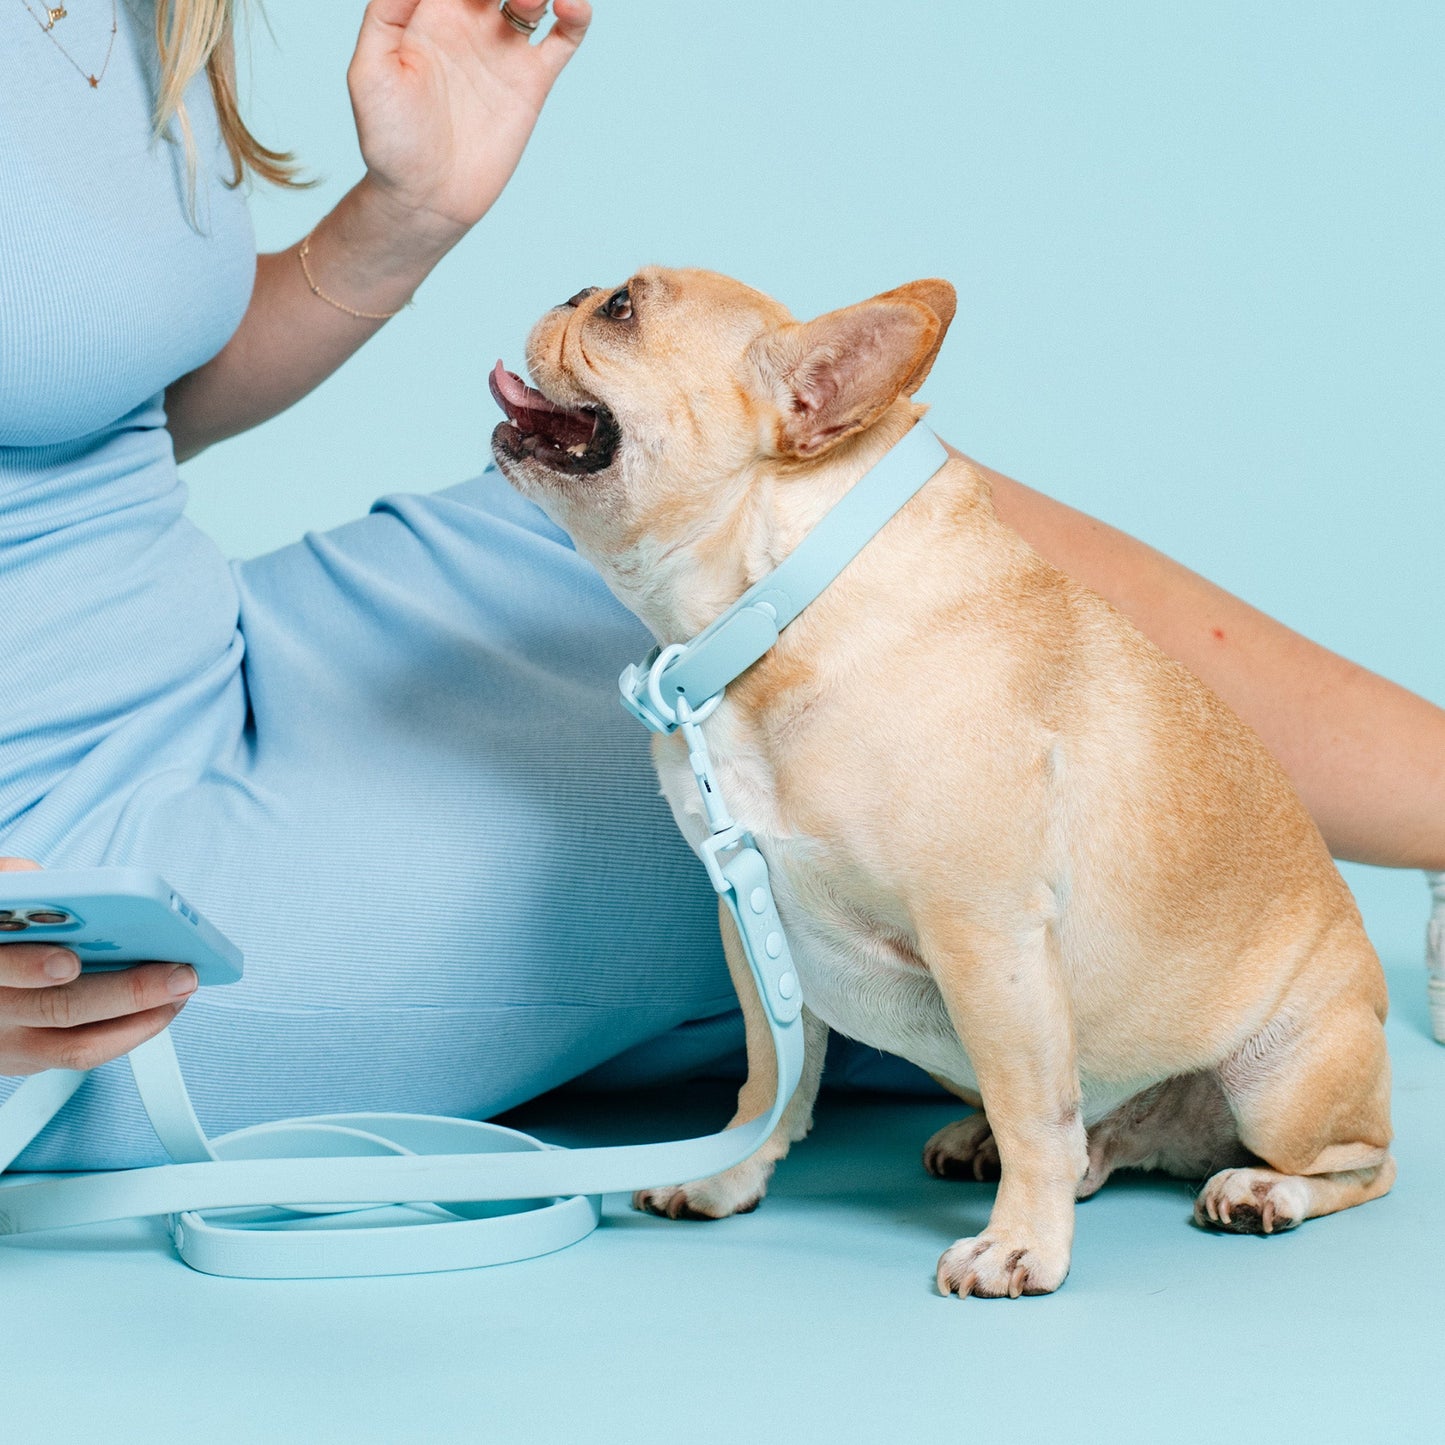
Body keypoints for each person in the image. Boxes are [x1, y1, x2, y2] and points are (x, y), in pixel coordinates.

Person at [2, 2, 1439, 1174]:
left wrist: (406, 212)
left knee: (840, 529)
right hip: (67, 832)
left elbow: (86, 374)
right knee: (852, 808)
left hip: (227, 646)